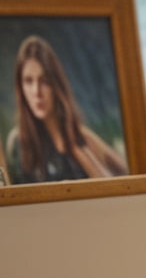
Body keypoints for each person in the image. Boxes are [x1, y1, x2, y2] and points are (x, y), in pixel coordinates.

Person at [7, 34, 129, 184]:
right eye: (28, 81)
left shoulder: (80, 136)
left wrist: (74, 145)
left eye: (44, 81)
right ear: (20, 87)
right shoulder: (17, 143)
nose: (36, 92)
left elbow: (119, 183)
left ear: (56, 86)